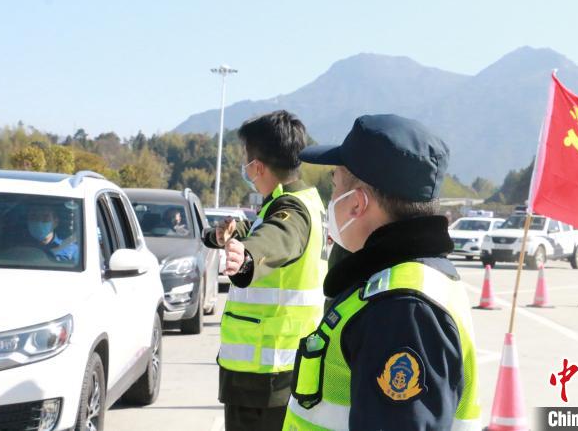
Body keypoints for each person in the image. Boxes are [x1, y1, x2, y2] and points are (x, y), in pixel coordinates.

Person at [283, 114, 481, 431]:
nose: (330, 200)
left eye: (334, 187)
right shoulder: (398, 284)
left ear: (358, 203)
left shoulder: (403, 310)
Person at [202, 110, 327, 431]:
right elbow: (265, 228)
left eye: (246, 160)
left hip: (265, 376)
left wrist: (247, 257)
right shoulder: (297, 201)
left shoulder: (292, 211)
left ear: (256, 167)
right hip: (273, 371)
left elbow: (277, 238)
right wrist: (225, 236)